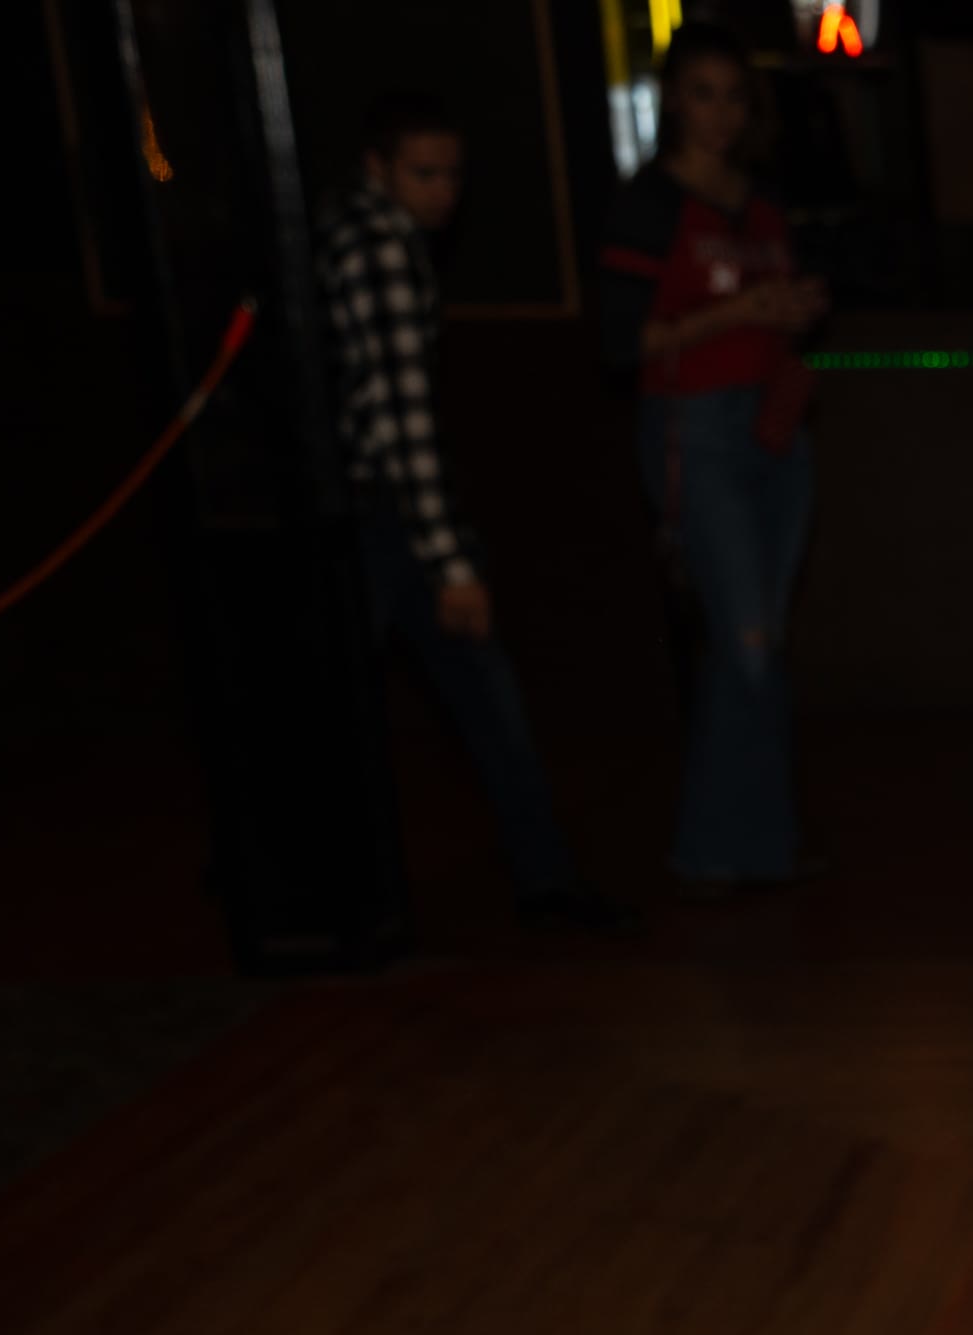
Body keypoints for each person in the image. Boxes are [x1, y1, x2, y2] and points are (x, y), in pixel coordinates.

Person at [315, 91, 633, 933]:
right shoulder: (383, 248)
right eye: (423, 173)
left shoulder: (344, 228)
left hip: (366, 510)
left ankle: (535, 877)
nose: (442, 192)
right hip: (386, 514)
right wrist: (448, 559)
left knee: (365, 703)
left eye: (453, 174)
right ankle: (538, 882)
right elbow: (402, 418)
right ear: (378, 167)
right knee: (475, 696)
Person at [597, 26, 826, 897]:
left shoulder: (760, 203)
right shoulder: (648, 203)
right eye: (703, 93)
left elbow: (771, 303)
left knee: (760, 640)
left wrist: (794, 308)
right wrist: (740, 314)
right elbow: (624, 342)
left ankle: (755, 843)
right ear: (671, 100)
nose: (721, 113)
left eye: (734, 95)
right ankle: (718, 846)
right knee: (747, 640)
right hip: (697, 430)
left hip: (774, 426)